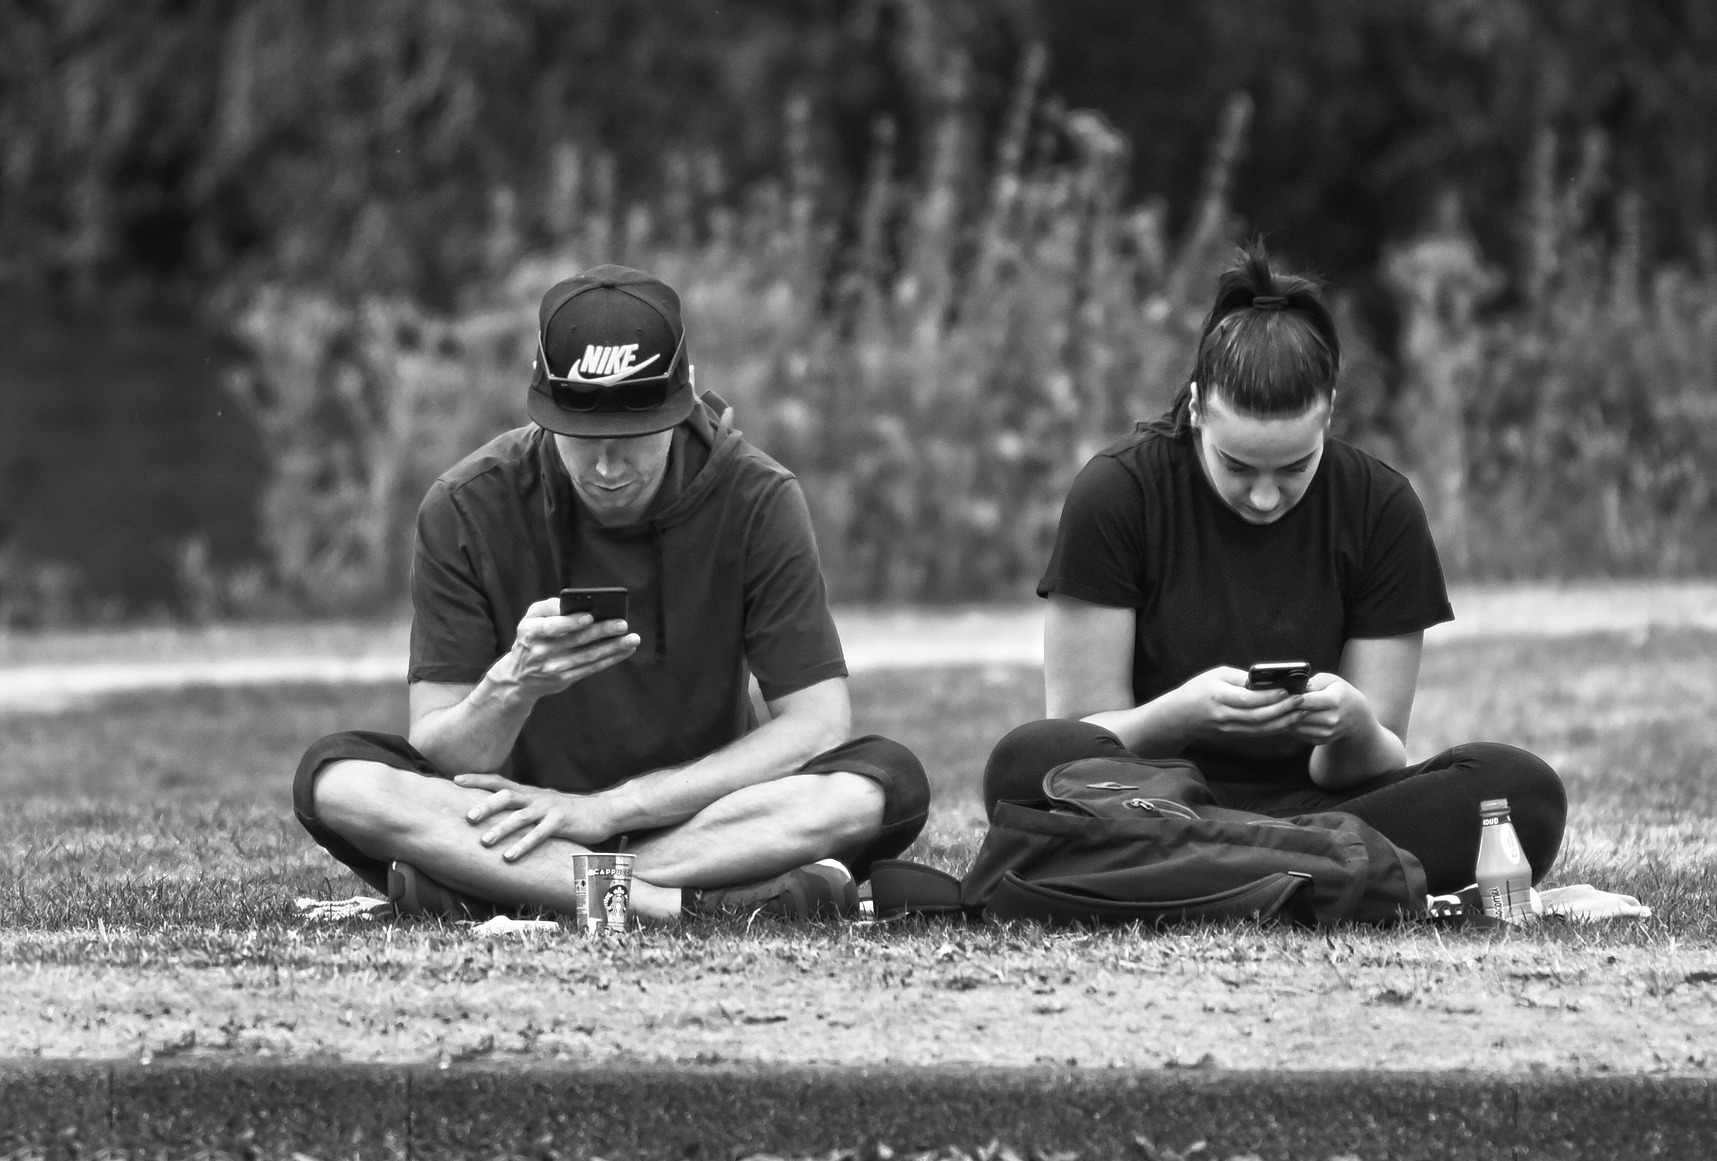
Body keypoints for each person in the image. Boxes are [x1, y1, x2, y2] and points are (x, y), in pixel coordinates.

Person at [293, 264, 929, 923]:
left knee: (883, 783)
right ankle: (677, 905)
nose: (605, 467)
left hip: (695, 820)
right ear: (542, 410)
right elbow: (440, 754)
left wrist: (606, 812)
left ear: (679, 404)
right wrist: (511, 685)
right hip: (522, 821)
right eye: (583, 437)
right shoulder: (464, 506)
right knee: (338, 780)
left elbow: (817, 726)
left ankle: (505, 886)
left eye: (630, 438)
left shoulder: (758, 498)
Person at [984, 242, 1564, 897]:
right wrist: (1184, 713)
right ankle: (1314, 873)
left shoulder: (1382, 508)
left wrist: (1350, 724)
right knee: (1023, 764)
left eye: (1294, 468)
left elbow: (1372, 762)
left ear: (1330, 413)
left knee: (1522, 791)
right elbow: (1078, 736)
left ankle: (1208, 870)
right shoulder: (1119, 493)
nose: (1264, 497)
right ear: (1199, 408)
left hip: (1327, 808)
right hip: (1152, 801)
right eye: (1236, 466)